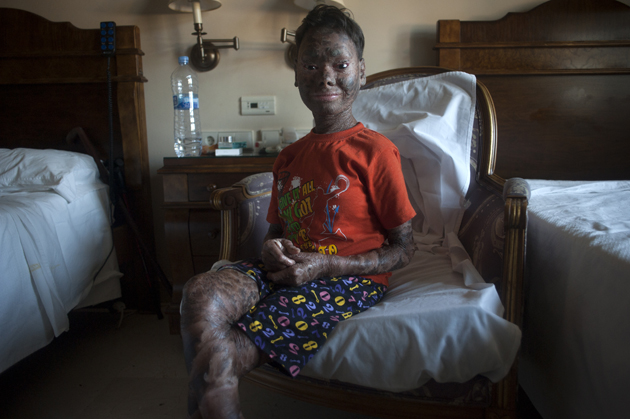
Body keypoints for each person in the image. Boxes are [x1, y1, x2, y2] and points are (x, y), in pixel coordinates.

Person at [180, 5, 416, 418]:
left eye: (340, 64)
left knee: (220, 353)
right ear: (296, 76)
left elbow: (404, 248)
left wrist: (326, 267)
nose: (325, 75)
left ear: (360, 71)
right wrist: (273, 250)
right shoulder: (288, 157)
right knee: (199, 292)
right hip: (284, 271)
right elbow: (274, 232)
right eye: (311, 64)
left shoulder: (375, 152)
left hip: (349, 280)